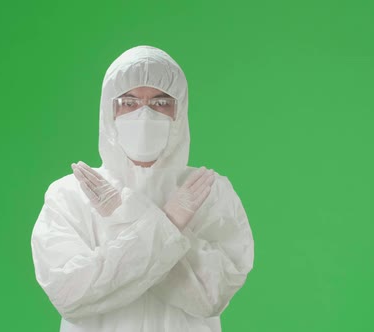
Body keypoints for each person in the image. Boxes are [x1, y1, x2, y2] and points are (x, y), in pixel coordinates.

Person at [30, 45, 254, 332]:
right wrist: (168, 225)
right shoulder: (70, 194)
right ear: (109, 110)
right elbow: (70, 295)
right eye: (129, 102)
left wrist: (125, 215)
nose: (144, 115)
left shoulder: (208, 191)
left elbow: (210, 297)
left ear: (180, 109)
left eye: (161, 103)